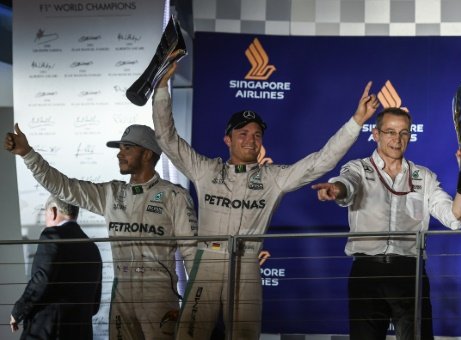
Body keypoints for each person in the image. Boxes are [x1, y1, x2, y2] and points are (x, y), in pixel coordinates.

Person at [152, 63, 380, 339]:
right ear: (227, 139)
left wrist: (356, 122)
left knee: (245, 336)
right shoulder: (206, 170)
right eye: (243, 134)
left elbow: (322, 161)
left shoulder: (274, 177)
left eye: (257, 135)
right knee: (190, 334)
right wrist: (162, 87)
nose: (251, 140)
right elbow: (167, 139)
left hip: (247, 263)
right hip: (208, 260)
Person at [4, 124, 198, 340]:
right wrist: (28, 154)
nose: (119, 154)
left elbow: (192, 255)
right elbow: (63, 187)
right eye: (120, 148)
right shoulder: (112, 194)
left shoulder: (174, 197)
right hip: (122, 295)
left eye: (127, 148)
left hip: (159, 296)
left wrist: (197, 307)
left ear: (147, 153)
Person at [311, 107, 461, 340]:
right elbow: (346, 185)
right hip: (367, 272)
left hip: (410, 273)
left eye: (404, 133)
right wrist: (336, 189)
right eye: (390, 132)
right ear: (376, 134)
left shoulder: (424, 177)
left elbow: (455, 219)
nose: (397, 139)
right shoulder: (358, 169)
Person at [10, 195, 102, 340]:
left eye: (44, 214)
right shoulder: (92, 247)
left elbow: (41, 278)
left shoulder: (52, 235)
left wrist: (18, 311)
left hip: (48, 331)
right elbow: (95, 305)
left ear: (53, 211)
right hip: (81, 333)